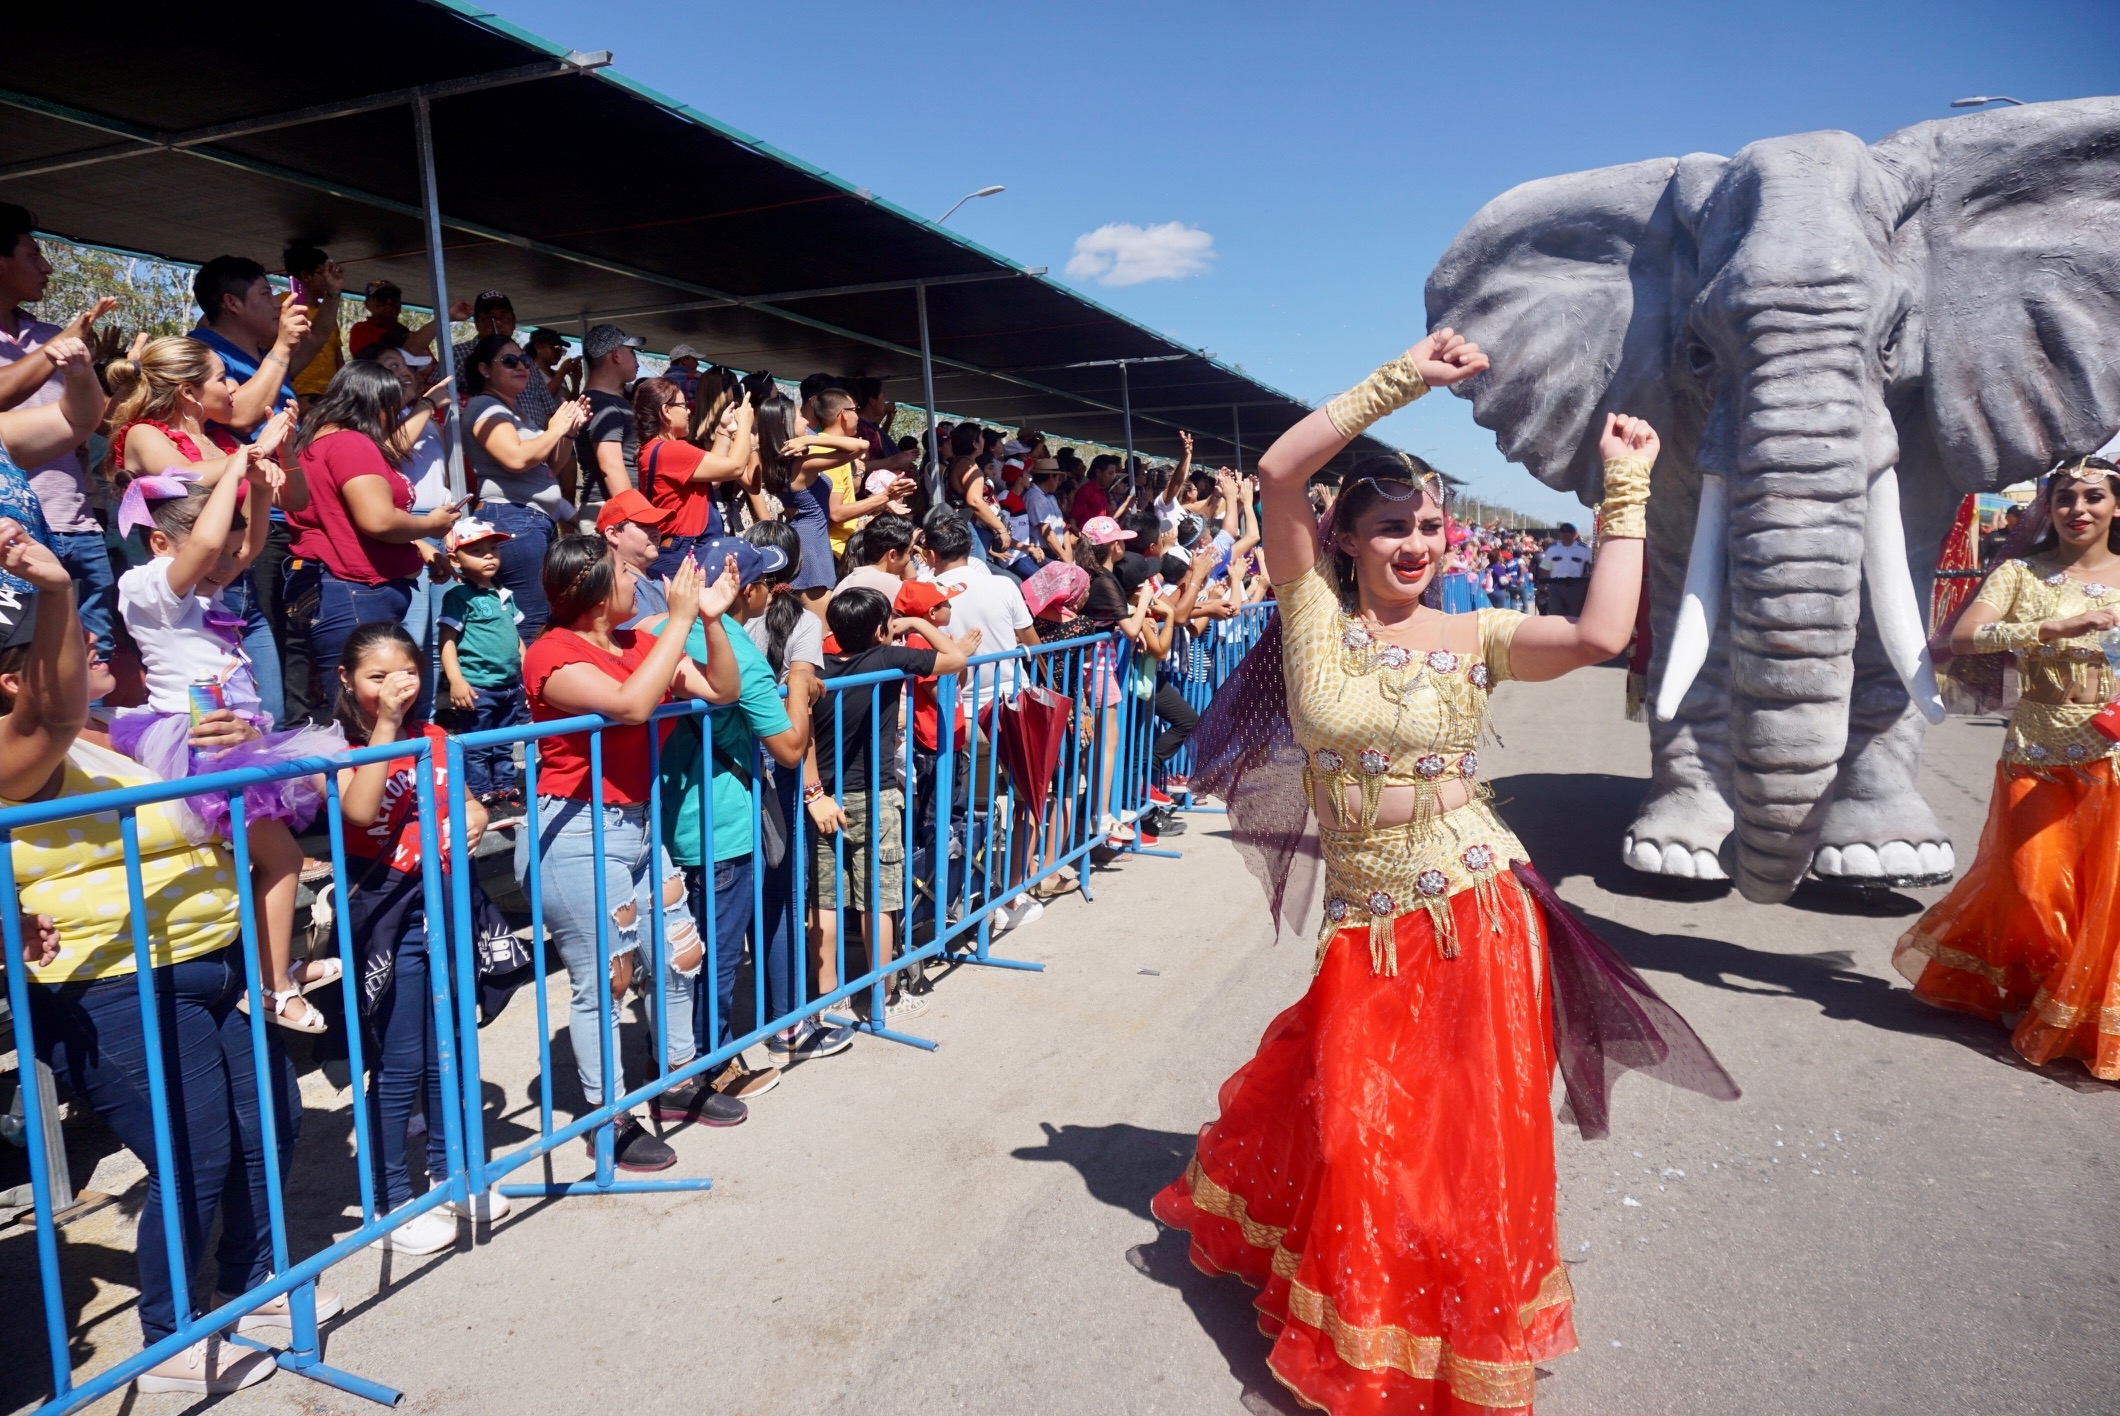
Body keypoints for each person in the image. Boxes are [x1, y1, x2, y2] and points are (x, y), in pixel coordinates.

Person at [1150, 333, 1714, 1414]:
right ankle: (1371, 1322)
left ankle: (1441, 1328)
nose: (1415, 545)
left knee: (1457, 1141)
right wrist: (1405, 379)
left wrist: (1626, 486)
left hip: (1474, 911)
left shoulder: (1477, 633)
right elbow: (1276, 473)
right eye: (1392, 529)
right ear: (1345, 543)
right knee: (1360, 1128)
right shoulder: (1310, 618)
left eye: (1427, 529)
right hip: (1370, 921)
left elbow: (1601, 632)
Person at [5, 522, 307, 1396]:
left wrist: (215, 751)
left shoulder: (115, 733)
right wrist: (57, 589)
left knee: (272, 1128)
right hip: (116, 984)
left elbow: (208, 808)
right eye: (60, 640)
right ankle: (171, 1340)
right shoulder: (22, 748)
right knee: (192, 1154)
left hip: (213, 958)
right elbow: (53, 714)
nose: (94, 641)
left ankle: (249, 1293)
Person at [109, 431, 346, 1033]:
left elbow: (241, 546)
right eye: (207, 556)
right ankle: (275, 987)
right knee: (285, 861)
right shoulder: (147, 589)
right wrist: (240, 457)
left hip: (234, 737)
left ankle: (274, 963)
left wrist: (261, 493)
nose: (223, 564)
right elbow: (213, 540)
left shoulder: (194, 587)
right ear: (160, 543)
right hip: (197, 748)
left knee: (259, 865)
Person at [517, 540, 742, 1169]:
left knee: (678, 956)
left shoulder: (644, 643)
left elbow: (721, 690)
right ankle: (605, 1118)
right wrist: (676, 621)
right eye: (623, 572)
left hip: (641, 827)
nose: (638, 579)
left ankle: (676, 1081)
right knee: (606, 981)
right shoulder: (551, 653)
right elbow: (631, 706)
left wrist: (711, 620)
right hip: (578, 833)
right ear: (590, 587)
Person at [1899, 456, 2120, 1081]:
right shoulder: (2021, 573)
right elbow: (1963, 638)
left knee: (2105, 898)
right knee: (2034, 887)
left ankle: (2069, 1013)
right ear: (2047, 510)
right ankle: (2035, 990)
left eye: (2094, 497)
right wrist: (2055, 626)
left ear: (2116, 506)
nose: (2079, 509)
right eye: (2066, 498)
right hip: (2037, 750)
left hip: (2113, 752)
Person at [329, 621, 508, 1253]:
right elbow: (357, 812)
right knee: (400, 1062)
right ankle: (390, 1202)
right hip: (387, 915)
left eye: (402, 673)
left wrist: (478, 812)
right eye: (375, 677)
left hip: (446, 908)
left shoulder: (432, 736)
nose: (392, 687)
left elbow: (461, 799)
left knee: (447, 1049)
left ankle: (451, 1172)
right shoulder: (342, 744)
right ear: (348, 681)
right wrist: (385, 725)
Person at [648, 535, 819, 1097]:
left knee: (678, 953)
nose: (773, 590)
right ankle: (710, 1066)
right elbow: (790, 747)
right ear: (743, 589)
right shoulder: (740, 654)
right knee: (715, 957)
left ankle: (676, 1057)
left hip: (664, 821)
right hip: (721, 827)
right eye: (767, 581)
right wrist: (799, 683)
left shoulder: (653, 632)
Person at [815, 587, 974, 1023]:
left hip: (823, 799)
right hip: (874, 795)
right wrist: (920, 623)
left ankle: (829, 1000)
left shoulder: (818, 669)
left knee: (825, 901)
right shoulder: (887, 659)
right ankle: (883, 996)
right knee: (877, 900)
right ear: (881, 629)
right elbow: (955, 660)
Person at [283, 361, 461, 716]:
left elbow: (340, 520)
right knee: (370, 717)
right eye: (392, 409)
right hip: (355, 591)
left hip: (340, 587)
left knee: (360, 715)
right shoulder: (350, 443)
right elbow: (377, 520)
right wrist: (430, 525)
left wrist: (417, 545)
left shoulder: (315, 443)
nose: (392, 419)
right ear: (374, 404)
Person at [0, 204, 114, 649]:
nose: (46, 267)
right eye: (32, 255)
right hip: (13, 537)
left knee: (92, 659)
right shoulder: (56, 339)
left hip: (77, 524)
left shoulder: (49, 334)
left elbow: (87, 420)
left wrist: (112, 378)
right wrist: (58, 346)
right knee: (19, 670)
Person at [463, 334, 589, 637]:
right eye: (509, 361)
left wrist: (567, 433)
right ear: (484, 370)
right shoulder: (485, 407)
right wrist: (554, 428)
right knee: (533, 622)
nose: (521, 366)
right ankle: (527, 684)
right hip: (513, 519)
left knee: (539, 616)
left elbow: (548, 467)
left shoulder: (512, 411)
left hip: (530, 521)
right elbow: (517, 459)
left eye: (524, 360)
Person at [437, 519, 527, 808]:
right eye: (476, 551)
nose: (489, 555)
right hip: (478, 686)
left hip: (509, 685)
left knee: (504, 740)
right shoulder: (459, 597)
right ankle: (479, 788)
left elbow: (516, 637)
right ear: (455, 559)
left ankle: (504, 784)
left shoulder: (505, 594)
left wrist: (526, 668)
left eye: (493, 548)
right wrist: (456, 680)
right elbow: (447, 641)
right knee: (476, 743)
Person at [633, 374, 755, 574]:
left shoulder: (657, 449)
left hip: (676, 549)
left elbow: (713, 478)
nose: (689, 410)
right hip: (683, 552)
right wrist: (745, 425)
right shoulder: (671, 451)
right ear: (666, 411)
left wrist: (724, 431)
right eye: (683, 405)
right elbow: (735, 467)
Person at [577, 323, 646, 503]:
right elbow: (611, 466)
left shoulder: (613, 401)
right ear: (616, 355)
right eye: (631, 351)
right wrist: (634, 513)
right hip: (614, 513)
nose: (636, 360)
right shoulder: (600, 405)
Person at [281, 245, 345, 408]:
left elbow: (338, 359)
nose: (329, 278)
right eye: (324, 273)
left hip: (327, 401)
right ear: (306, 276)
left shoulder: (327, 313)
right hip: (290, 399)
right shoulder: (280, 306)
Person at [597, 487, 673, 621]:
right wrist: (688, 612)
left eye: (656, 525)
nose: (656, 532)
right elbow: (647, 630)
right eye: (644, 526)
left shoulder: (659, 576)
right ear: (613, 534)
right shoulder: (611, 581)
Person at [831, 512, 915, 602]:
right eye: (909, 552)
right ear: (892, 555)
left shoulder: (845, 583)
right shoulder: (889, 584)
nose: (910, 559)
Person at [1539, 520, 1591, 618]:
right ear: (1560, 534)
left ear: (1575, 534)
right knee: (1556, 615)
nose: (1566, 534)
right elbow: (1545, 569)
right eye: (1563, 531)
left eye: (1569, 531)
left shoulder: (1584, 550)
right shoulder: (1552, 549)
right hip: (1555, 586)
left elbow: (1596, 563)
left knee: (1574, 616)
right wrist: (1543, 588)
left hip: (1575, 586)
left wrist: (1589, 574)